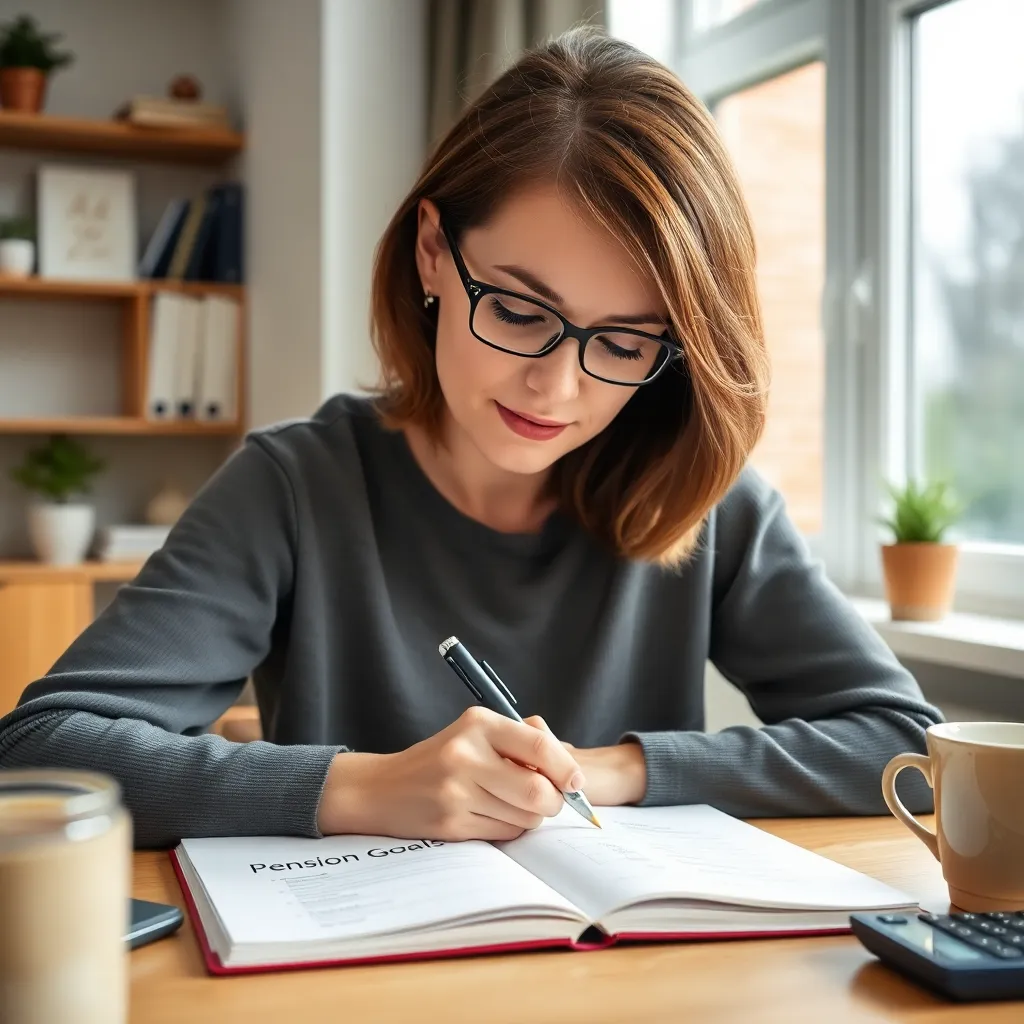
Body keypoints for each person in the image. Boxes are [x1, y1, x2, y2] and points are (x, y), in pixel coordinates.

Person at [0, 29, 939, 848]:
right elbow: (41, 751)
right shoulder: (293, 487)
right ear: (433, 254)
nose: (557, 385)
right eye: (523, 311)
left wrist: (608, 770)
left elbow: (909, 745)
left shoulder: (711, 504)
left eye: (623, 341)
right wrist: (362, 787)